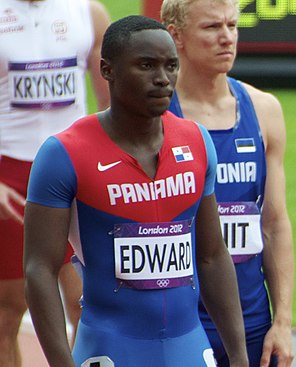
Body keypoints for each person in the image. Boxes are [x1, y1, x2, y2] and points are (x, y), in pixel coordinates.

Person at [24, 15, 249, 367]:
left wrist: (238, 355)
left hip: (189, 346)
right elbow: (39, 268)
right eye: (146, 65)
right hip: (110, 348)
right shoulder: (63, 154)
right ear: (107, 69)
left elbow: (212, 255)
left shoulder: (197, 142)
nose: (162, 78)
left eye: (170, 65)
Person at [161, 0, 295, 366]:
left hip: (251, 319)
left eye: (232, 26)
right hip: (177, 322)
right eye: (211, 28)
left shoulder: (264, 109)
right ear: (176, 36)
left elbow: (275, 224)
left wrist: (282, 321)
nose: (227, 38)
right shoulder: (154, 116)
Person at [0, 0, 110, 365]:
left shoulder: (87, 12)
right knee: (7, 314)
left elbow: (113, 99)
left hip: (73, 170)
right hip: (12, 174)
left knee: (88, 308)